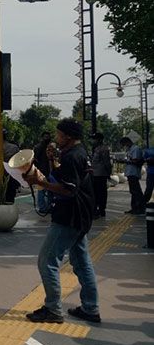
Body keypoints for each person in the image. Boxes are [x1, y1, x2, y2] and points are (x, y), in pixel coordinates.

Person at [23, 119, 100, 324]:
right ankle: (90, 308)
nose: (56, 138)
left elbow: (68, 189)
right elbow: (62, 176)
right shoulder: (79, 152)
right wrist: (51, 160)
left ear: (67, 136)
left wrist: (39, 182)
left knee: (47, 261)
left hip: (69, 216)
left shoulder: (72, 157)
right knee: (82, 263)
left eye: (58, 134)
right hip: (81, 215)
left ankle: (53, 310)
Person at [119, 137, 145, 214]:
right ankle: (134, 208)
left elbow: (135, 160)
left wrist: (125, 161)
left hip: (134, 172)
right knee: (133, 191)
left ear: (127, 142)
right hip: (130, 173)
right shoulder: (130, 149)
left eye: (124, 144)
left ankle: (139, 208)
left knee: (136, 191)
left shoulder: (135, 149)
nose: (124, 146)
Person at [90, 133, 112, 219]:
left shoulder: (103, 149)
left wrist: (108, 173)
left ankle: (100, 209)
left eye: (94, 139)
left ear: (99, 139)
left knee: (100, 193)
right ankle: (97, 209)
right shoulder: (96, 149)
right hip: (95, 174)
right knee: (95, 192)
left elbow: (106, 162)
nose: (93, 141)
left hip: (101, 174)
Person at [34, 132, 53, 213]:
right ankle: (45, 207)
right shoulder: (40, 147)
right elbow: (35, 159)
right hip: (43, 171)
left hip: (48, 171)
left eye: (48, 137)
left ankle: (47, 206)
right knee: (43, 190)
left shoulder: (50, 147)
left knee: (49, 191)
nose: (47, 138)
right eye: (45, 137)